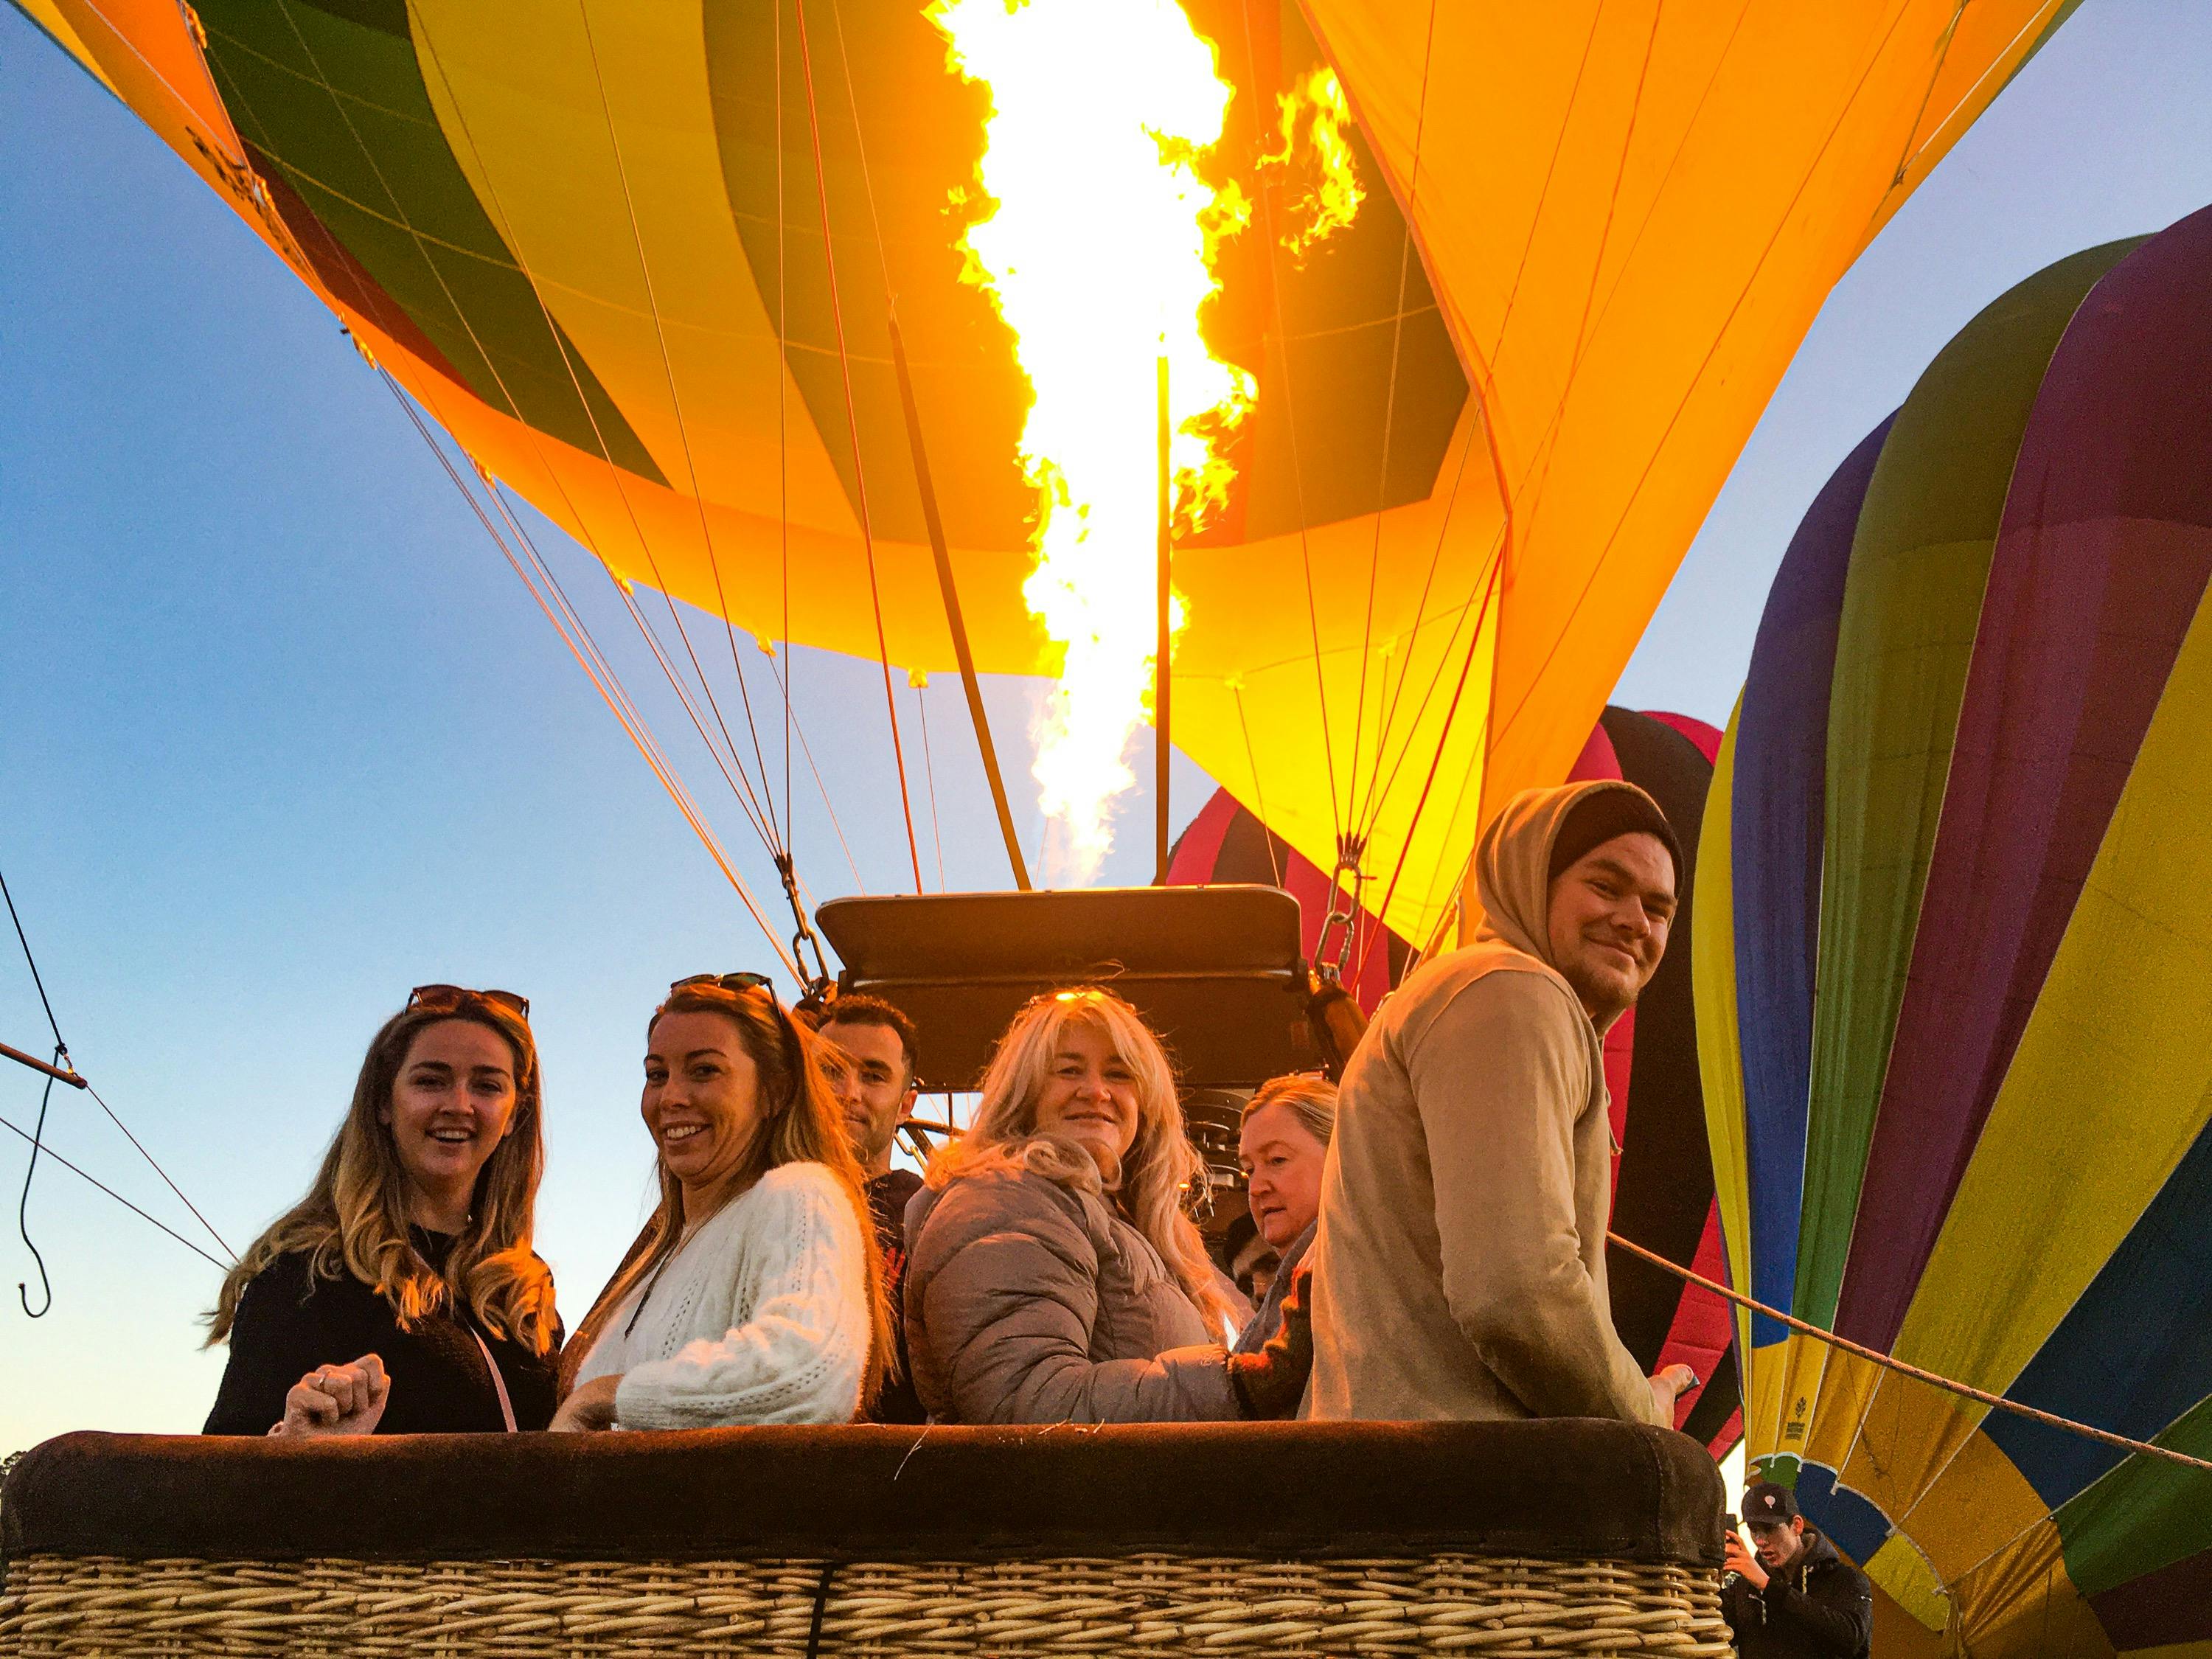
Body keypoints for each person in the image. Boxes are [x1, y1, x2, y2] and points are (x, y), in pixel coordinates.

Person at [1306, 780, 1700, 1424]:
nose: (1635, 921)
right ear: (1531, 879)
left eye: (1659, 908)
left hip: (1400, 1471)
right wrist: (1642, 1411)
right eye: (1605, 886)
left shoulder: (1471, 991)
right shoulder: (1513, 991)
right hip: (1466, 1490)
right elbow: (1517, 1289)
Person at [903, 987, 1303, 1422]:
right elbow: (1026, 1405)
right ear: (1025, 1093)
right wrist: (1237, 1386)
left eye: (1119, 1074)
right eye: (1068, 1070)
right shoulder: (1006, 1199)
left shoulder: (1119, 1217)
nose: (1095, 1091)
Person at [203, 985, 561, 1436]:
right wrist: (292, 1444)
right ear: (383, 1103)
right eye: (430, 1080)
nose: (458, 1105)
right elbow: (222, 1472)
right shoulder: (307, 1275)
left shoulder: (521, 1290)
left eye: (487, 1086)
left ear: (515, 1116)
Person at [554, 975, 891, 1430]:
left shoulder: (799, 1193)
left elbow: (808, 1371)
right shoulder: (661, 1257)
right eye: (657, 1075)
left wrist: (605, 1396)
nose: (671, 1097)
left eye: (704, 1070)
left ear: (773, 1092)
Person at [818, 994, 925, 1422]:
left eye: (874, 1075)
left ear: (905, 1106)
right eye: (830, 1071)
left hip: (888, 1467)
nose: (849, 1094)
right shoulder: (755, 1199)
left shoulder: (928, 1212)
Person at [1232, 1073, 1335, 1353]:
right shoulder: (1301, 1284)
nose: (1255, 1188)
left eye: (1277, 1159)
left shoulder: (1350, 1281)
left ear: (1340, 1156)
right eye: (1249, 1170)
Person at [1722, 1482, 1875, 1658]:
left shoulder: (1846, 1580)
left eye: (1770, 1529)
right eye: (1754, 1531)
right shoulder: (1745, 1587)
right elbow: (1709, 1631)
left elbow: (1851, 1640)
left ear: (1797, 1526)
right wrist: (1712, 1571)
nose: (1761, 1541)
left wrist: (1769, 1587)